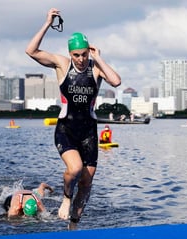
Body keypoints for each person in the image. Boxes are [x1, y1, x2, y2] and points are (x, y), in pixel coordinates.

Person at [25, 8, 121, 228]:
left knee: (86, 183)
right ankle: (66, 197)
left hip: (88, 132)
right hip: (66, 128)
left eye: (84, 54)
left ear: (89, 51)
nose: (80, 59)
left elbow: (115, 81)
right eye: (76, 54)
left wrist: (98, 58)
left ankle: (74, 224)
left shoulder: (96, 68)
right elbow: (31, 50)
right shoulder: (62, 64)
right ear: (70, 54)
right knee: (75, 169)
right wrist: (48, 23)